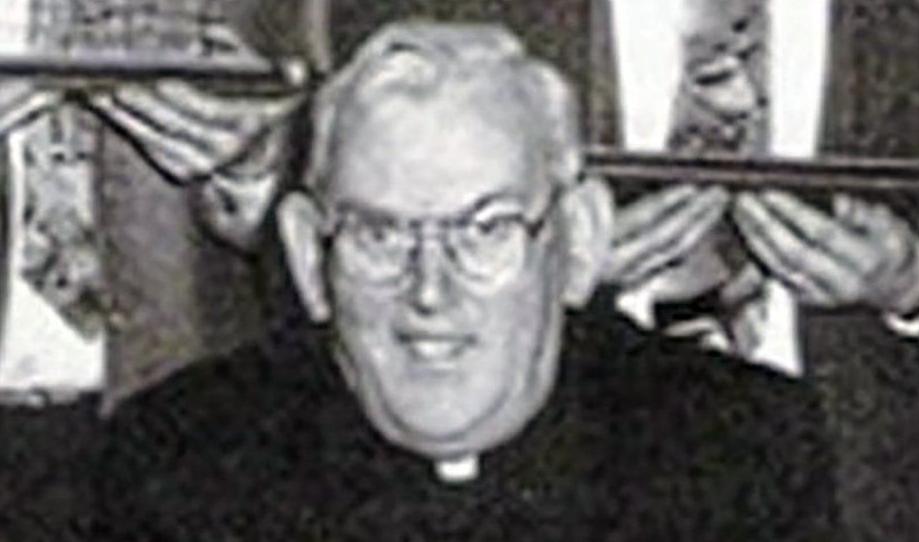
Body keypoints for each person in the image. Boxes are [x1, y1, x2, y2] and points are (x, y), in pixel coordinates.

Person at [93, 22, 838, 541]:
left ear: (578, 241)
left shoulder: (739, 455)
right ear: (305, 254)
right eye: (379, 234)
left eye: (485, 230)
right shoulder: (183, 464)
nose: (429, 291)